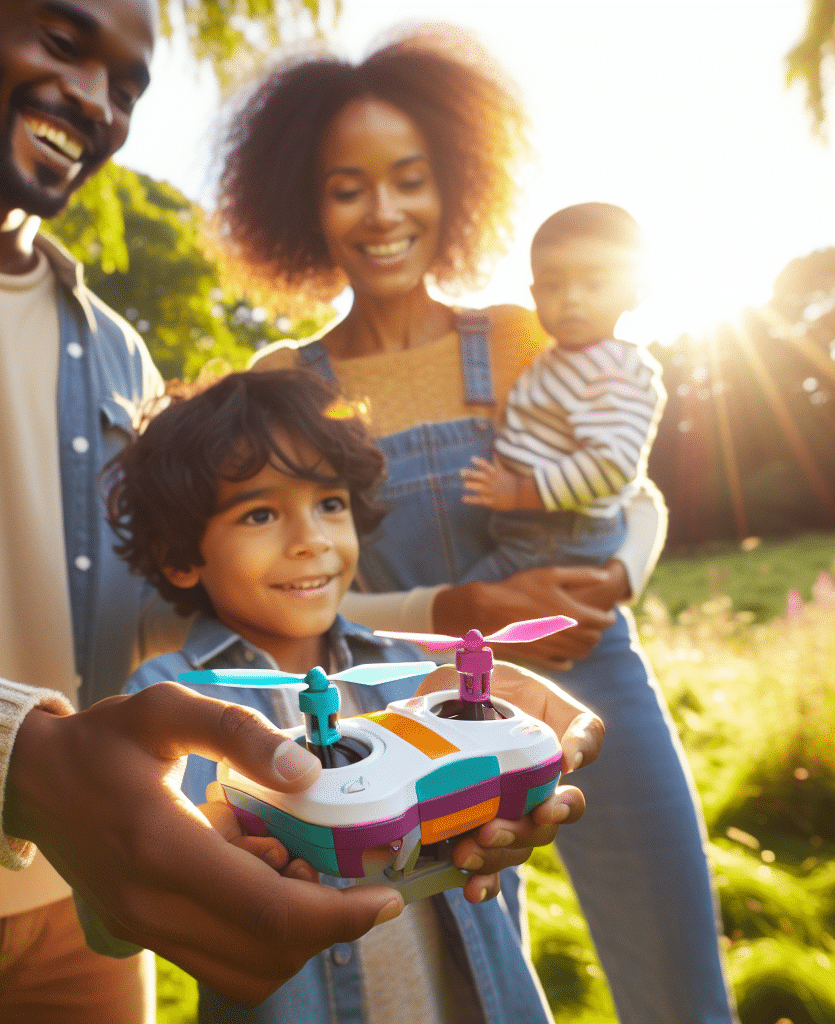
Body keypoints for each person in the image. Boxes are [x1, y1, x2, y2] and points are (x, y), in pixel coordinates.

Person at [0, 1, 410, 1020]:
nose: (92, 98)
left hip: (87, 901)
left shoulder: (117, 352)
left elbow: (196, 598)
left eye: (126, 86)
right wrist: (18, 764)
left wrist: (455, 654)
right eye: (61, 42)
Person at [225, 27, 737, 1024]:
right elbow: (290, 593)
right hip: (412, 715)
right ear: (304, 206)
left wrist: (617, 579)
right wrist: (455, 604)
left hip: (586, 668)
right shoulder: (287, 383)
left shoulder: (519, 335)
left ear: (452, 187)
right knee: (479, 982)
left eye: (409, 179)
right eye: (346, 187)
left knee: (677, 977)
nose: (383, 212)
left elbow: (631, 493)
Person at [102, 367, 604, 1023]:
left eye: (330, 504)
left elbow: (490, 838)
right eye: (260, 513)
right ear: (179, 557)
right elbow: (110, 917)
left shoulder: (417, 675)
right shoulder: (162, 709)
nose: (311, 538)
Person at [459, 202, 666, 582]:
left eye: (594, 284)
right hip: (542, 528)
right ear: (535, 294)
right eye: (553, 285)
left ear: (635, 291)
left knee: (467, 614)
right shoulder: (560, 358)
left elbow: (613, 464)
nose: (571, 298)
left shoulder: (613, 368)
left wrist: (522, 492)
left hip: (561, 531)